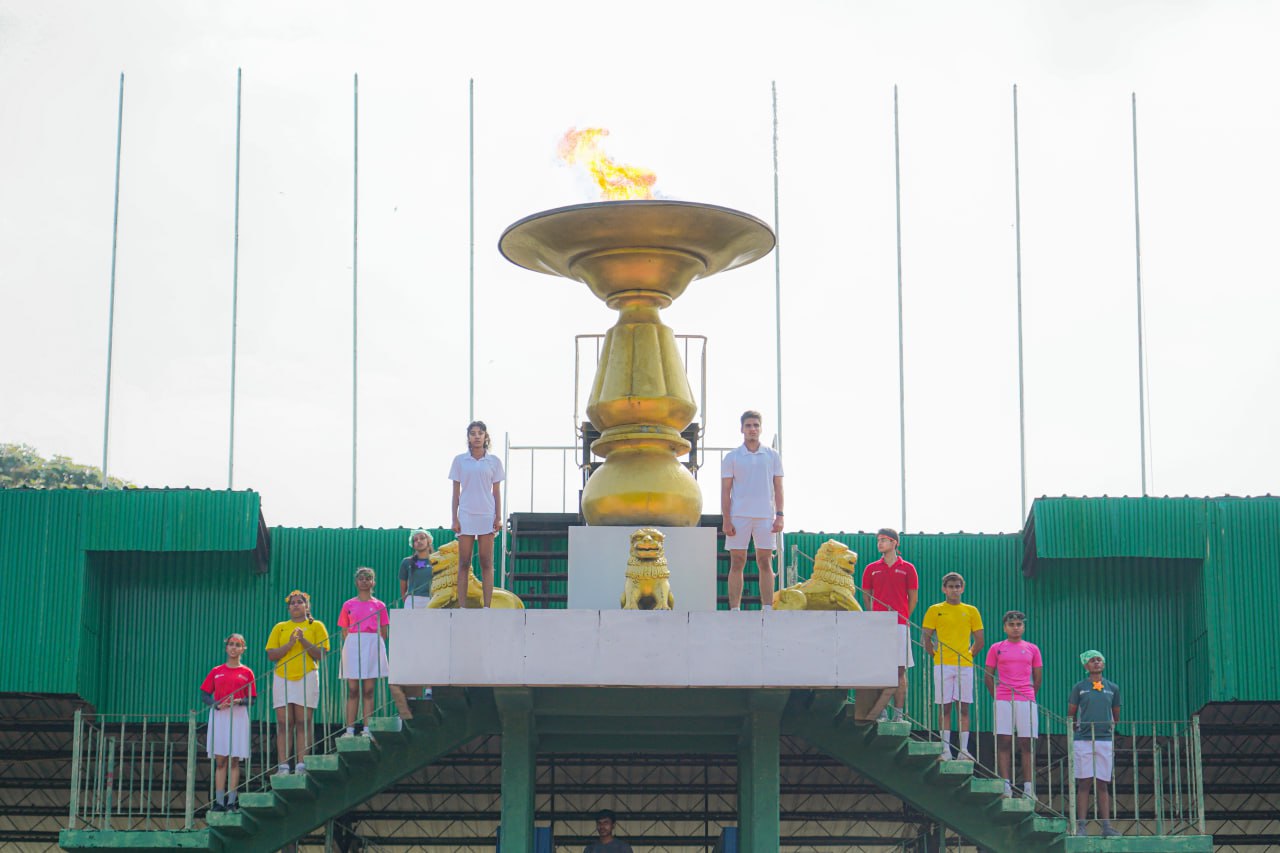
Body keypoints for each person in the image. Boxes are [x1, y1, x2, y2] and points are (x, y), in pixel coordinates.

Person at [720, 410, 785, 610]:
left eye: (756, 425)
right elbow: (725, 491)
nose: (752, 429)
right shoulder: (732, 457)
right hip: (739, 516)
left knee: (765, 561)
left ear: (761, 428)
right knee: (737, 561)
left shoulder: (772, 455)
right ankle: (735, 609)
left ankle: (767, 608)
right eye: (748, 426)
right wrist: (726, 519)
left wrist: (780, 515)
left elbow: (779, 487)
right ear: (742, 429)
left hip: (765, 516)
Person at [921, 572, 984, 760]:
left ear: (962, 588)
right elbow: (926, 637)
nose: (954, 590)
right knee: (944, 707)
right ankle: (945, 750)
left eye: (957, 586)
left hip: (964, 665)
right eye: (951, 586)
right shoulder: (935, 609)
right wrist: (935, 653)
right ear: (944, 589)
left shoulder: (971, 610)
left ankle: (964, 750)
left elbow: (979, 640)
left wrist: (967, 655)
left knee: (964, 707)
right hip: (942, 665)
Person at [265, 590, 329, 775]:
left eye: (300, 602)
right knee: (284, 722)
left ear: (306, 606)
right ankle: (284, 766)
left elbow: (321, 654)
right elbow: (271, 655)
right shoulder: (280, 627)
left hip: (307, 674)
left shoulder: (316, 626)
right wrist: (290, 644)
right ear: (288, 607)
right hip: (282, 676)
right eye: (292, 602)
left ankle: (301, 764)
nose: (296, 605)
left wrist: (303, 640)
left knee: (303, 721)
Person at [983, 610, 1043, 799]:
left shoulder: (1032, 648)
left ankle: (1028, 788)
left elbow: (1038, 676)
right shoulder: (996, 648)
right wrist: (998, 696)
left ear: (1023, 627)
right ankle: (1006, 786)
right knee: (1004, 741)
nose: (1015, 628)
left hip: (1026, 698)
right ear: (1005, 627)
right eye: (1012, 625)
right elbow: (988, 675)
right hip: (1003, 699)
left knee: (1027, 743)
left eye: (1019, 624)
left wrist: (1029, 694)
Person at [861, 528, 918, 721]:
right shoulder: (871, 568)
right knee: (880, 667)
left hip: (900, 625)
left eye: (884, 540)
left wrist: (903, 617)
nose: (880, 543)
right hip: (878, 626)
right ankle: (881, 711)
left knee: (900, 670)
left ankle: (899, 714)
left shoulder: (908, 568)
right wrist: (873, 617)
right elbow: (866, 595)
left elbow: (913, 598)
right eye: (878, 540)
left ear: (895, 543)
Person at [449, 420, 505, 608]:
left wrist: (498, 516)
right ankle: (462, 606)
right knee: (464, 561)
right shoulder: (459, 460)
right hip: (465, 514)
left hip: (486, 515)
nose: (477, 436)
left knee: (486, 561)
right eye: (473, 433)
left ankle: (487, 606)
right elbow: (455, 492)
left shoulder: (494, 461)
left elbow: (496, 491)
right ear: (468, 437)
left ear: (485, 436)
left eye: (480, 433)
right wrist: (454, 518)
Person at [199, 633, 256, 813]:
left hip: (238, 715)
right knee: (221, 760)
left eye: (237, 645)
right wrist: (216, 705)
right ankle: (219, 802)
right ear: (226, 647)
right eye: (231, 644)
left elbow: (252, 699)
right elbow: (204, 694)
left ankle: (232, 801)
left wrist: (239, 702)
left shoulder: (247, 672)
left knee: (234, 760)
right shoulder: (216, 671)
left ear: (243, 649)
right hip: (220, 715)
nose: (233, 648)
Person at [1069, 650, 1122, 837]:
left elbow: (1116, 712)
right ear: (1086, 666)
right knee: (1084, 782)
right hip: (1083, 739)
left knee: (1102, 783)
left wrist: (1110, 727)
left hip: (1104, 739)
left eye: (1099, 659)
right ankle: (1081, 826)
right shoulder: (1079, 688)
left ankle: (1106, 826)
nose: (1097, 662)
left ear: (1104, 664)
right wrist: (1077, 728)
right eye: (1092, 660)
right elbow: (1071, 712)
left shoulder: (1113, 688)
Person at [339, 567, 391, 738]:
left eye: (368, 578)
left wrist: (374, 645)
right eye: (361, 578)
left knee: (368, 690)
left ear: (373, 582)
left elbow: (384, 631)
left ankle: (367, 729)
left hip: (372, 644)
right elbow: (344, 630)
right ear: (356, 582)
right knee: (353, 689)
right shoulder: (348, 604)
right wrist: (354, 642)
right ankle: (349, 729)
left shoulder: (379, 605)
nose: (364, 581)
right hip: (354, 644)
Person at [400, 529, 435, 609]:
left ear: (428, 540)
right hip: (412, 602)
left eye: (422, 538)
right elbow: (403, 589)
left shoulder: (437, 561)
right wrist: (407, 600)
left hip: (433, 600)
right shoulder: (406, 562)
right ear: (413, 545)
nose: (419, 541)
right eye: (415, 540)